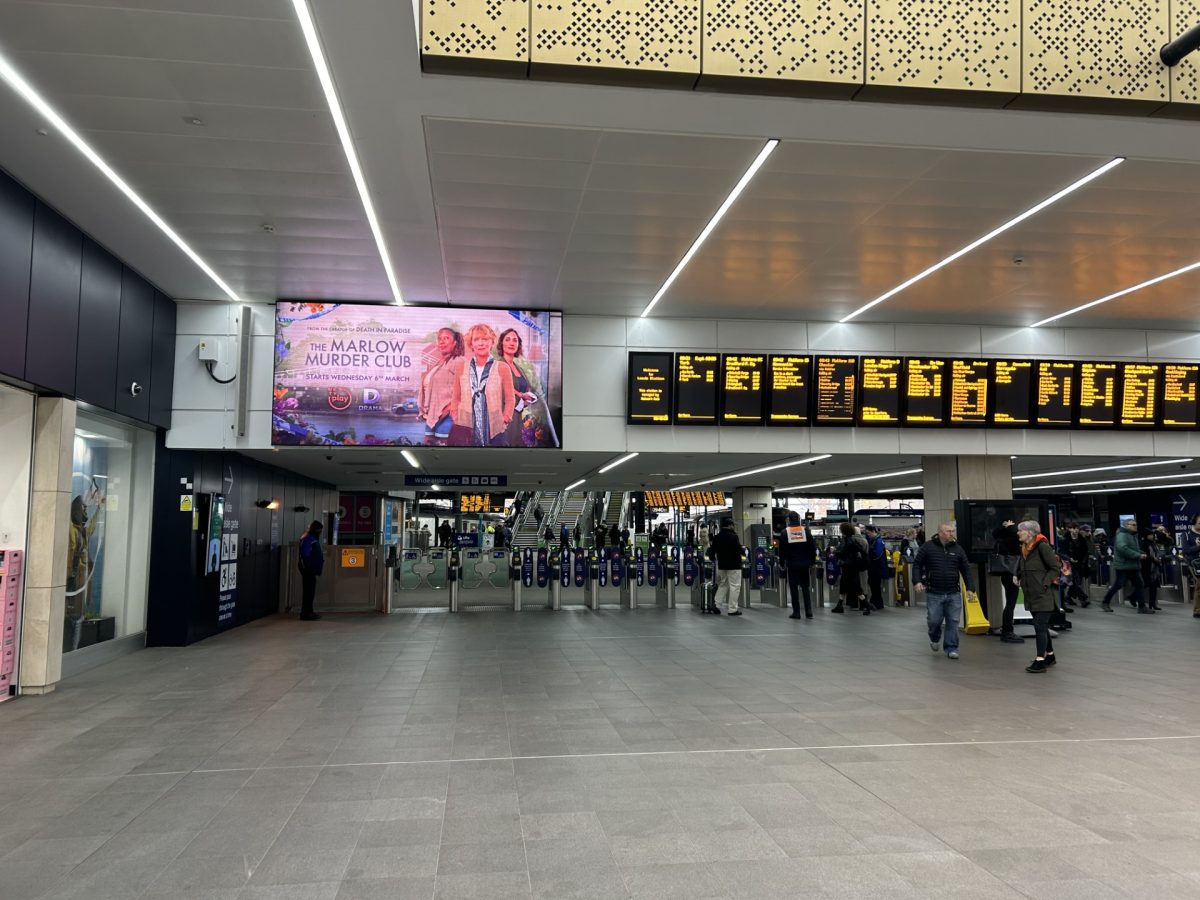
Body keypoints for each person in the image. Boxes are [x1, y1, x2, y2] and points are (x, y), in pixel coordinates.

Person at [912, 523, 977, 660]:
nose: (952, 533)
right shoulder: (928, 547)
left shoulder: (958, 549)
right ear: (940, 532)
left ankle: (951, 648)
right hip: (934, 592)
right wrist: (917, 581)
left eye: (952, 531)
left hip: (953, 592)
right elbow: (917, 564)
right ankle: (934, 637)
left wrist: (970, 588)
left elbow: (965, 569)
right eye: (948, 531)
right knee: (934, 620)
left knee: (953, 621)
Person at [448, 323, 515, 446]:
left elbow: (510, 399)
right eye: (476, 339)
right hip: (464, 424)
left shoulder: (502, 367)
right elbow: (455, 397)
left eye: (485, 339)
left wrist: (505, 418)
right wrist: (455, 414)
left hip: (494, 426)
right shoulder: (461, 367)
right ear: (471, 343)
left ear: (492, 342)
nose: (481, 343)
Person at [1016, 520, 1061, 673]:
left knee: (1040, 626)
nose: (1018, 533)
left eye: (1020, 530)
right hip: (1031, 594)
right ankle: (1050, 656)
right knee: (1041, 626)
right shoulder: (1024, 548)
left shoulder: (1042, 546)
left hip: (1043, 595)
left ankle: (1040, 660)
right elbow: (1024, 565)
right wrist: (1018, 575)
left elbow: (1055, 568)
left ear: (1029, 532)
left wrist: (1045, 583)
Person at [417, 327, 464, 445]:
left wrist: (448, 409)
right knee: (428, 448)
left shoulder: (459, 361)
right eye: (439, 339)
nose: (442, 341)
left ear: (455, 343)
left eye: (446, 338)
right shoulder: (438, 363)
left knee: (443, 451)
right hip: (432, 415)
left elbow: (466, 390)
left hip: (447, 416)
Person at [495, 327, 537, 447]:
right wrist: (521, 396)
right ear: (501, 343)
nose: (511, 343)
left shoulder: (519, 368)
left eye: (515, 340)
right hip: (504, 417)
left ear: (518, 345)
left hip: (518, 417)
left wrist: (527, 398)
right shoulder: (498, 365)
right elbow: (501, 388)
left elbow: (526, 387)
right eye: (507, 339)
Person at [1103, 518, 1147, 612]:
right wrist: (1138, 555)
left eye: (1136, 524)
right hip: (1123, 566)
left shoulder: (1132, 536)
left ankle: (1141, 606)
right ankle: (1105, 602)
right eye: (1133, 525)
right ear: (1127, 526)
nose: (1136, 526)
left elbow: (1132, 548)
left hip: (1132, 565)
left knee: (1139, 584)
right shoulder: (1122, 535)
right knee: (1118, 585)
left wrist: (1140, 552)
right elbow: (1123, 549)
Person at [778, 513, 817, 619]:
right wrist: (813, 561)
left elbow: (782, 551)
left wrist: (782, 563)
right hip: (805, 564)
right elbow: (812, 548)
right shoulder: (806, 531)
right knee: (805, 587)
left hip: (792, 564)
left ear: (788, 520)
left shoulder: (785, 532)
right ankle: (809, 611)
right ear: (799, 519)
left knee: (794, 588)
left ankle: (797, 612)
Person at [992, 519, 1024, 643]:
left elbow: (995, 533)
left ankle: (1006, 630)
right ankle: (1007, 631)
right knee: (1011, 603)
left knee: (1009, 603)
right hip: (1013, 573)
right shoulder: (1014, 541)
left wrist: (1005, 527)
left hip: (1005, 573)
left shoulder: (1000, 539)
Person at [707, 518, 744, 616]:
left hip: (722, 565)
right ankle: (732, 609)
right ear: (730, 525)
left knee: (723, 584)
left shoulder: (717, 537)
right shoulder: (734, 537)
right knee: (735, 586)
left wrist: (712, 559)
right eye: (733, 525)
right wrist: (743, 551)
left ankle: (716, 605)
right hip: (734, 566)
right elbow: (738, 550)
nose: (734, 527)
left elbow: (711, 551)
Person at [832, 522, 869, 614]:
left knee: (855, 586)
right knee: (845, 585)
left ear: (844, 530)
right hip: (851, 566)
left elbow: (843, 553)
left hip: (849, 567)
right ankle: (840, 605)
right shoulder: (851, 539)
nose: (840, 530)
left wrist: (834, 551)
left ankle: (866, 605)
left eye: (841, 529)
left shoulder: (848, 540)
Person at [298, 520, 325, 621]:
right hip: (308, 569)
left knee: (310, 591)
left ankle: (309, 611)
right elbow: (305, 554)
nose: (320, 532)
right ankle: (306, 613)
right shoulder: (309, 539)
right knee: (308, 591)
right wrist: (309, 566)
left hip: (310, 569)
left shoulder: (310, 538)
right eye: (319, 530)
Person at [1141, 524, 1172, 612]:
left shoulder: (1154, 543)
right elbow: (1145, 556)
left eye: (1153, 534)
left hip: (1155, 569)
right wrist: (1153, 559)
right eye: (1150, 535)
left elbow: (1169, 542)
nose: (1152, 536)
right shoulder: (1144, 544)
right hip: (1147, 569)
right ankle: (1134, 598)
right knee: (1144, 585)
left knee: (1153, 587)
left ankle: (1152, 604)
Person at [864, 524, 886, 611]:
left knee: (875, 585)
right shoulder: (873, 540)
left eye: (869, 533)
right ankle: (875, 602)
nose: (868, 535)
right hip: (873, 566)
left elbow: (877, 554)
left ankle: (877, 603)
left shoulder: (878, 541)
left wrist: (869, 552)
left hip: (877, 567)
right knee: (873, 584)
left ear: (873, 532)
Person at [1183, 514, 1200, 618]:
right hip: (1195, 563)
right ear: (1193, 522)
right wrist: (1198, 547)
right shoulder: (1186, 534)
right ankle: (1197, 610)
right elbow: (1186, 550)